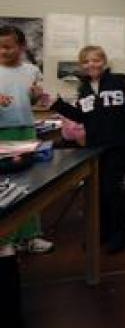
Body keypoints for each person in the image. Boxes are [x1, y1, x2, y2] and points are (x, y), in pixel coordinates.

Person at [50, 45, 125, 253]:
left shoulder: (121, 80)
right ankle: (102, 232)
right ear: (81, 66)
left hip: (118, 145)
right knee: (97, 191)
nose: (91, 65)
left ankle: (118, 234)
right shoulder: (83, 89)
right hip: (94, 148)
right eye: (86, 62)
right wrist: (56, 104)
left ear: (104, 62)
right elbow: (80, 117)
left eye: (95, 60)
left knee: (111, 190)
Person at [0, 25, 54, 255]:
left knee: (30, 184)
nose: (2, 51)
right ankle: (5, 240)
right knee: (5, 188)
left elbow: (35, 100)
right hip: (2, 133)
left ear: (21, 47)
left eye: (8, 47)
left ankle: (30, 236)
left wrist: (37, 95)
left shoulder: (32, 70)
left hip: (27, 131)